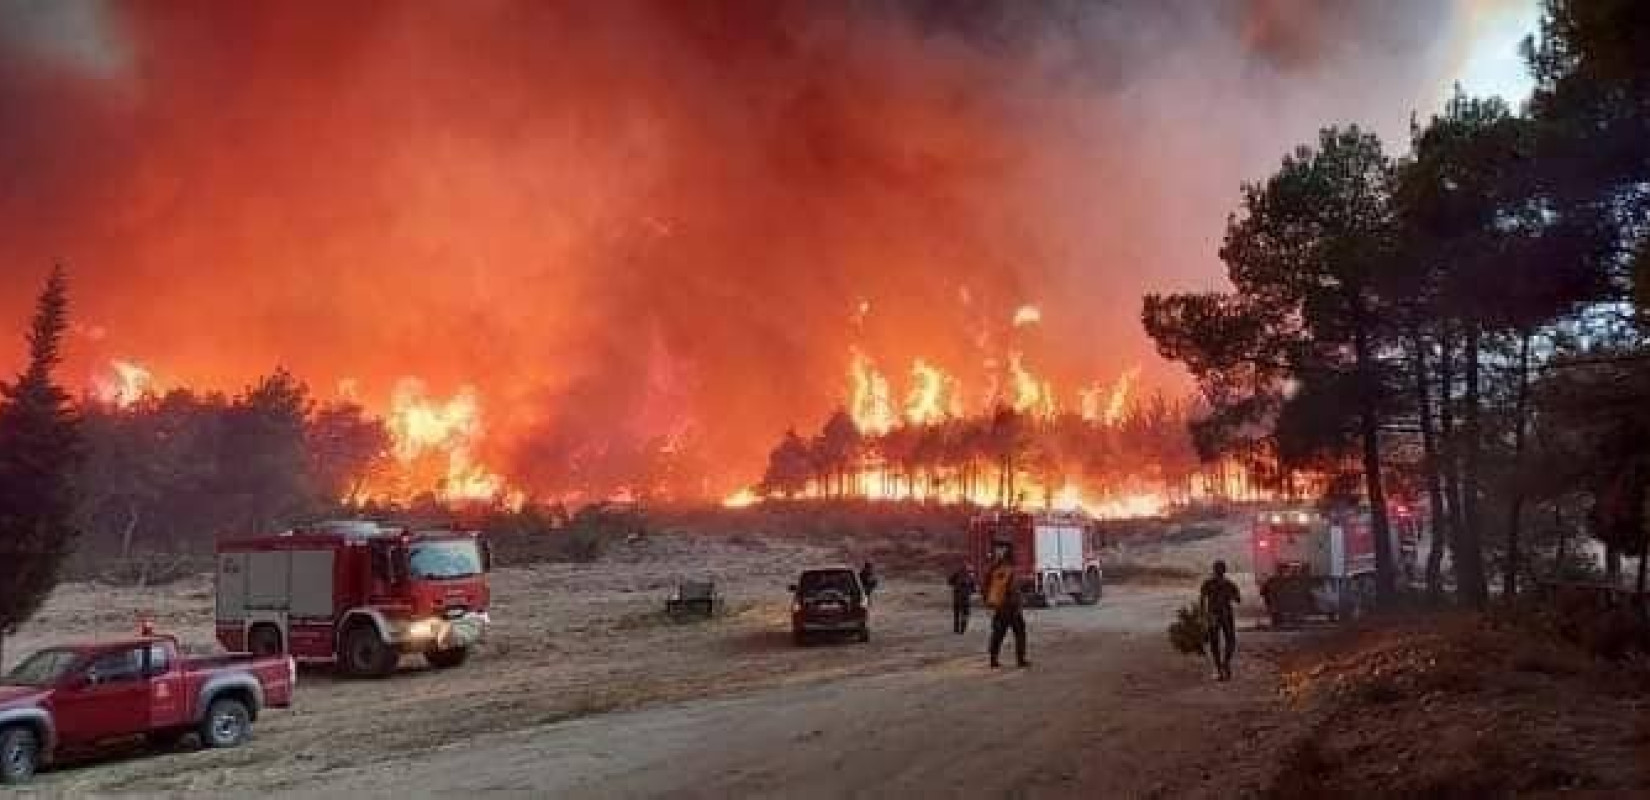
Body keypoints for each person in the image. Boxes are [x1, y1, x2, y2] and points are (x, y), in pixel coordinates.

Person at [984, 546, 1028, 668]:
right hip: (1011, 608)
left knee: (998, 634)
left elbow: (986, 586)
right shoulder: (1010, 571)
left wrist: (989, 603)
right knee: (1020, 633)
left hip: (999, 607)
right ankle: (1020, 659)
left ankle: (993, 659)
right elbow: (1013, 590)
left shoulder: (995, 570)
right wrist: (1019, 604)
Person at [1200, 559, 1241, 681]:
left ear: (1214, 570)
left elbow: (1202, 600)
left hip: (1213, 615)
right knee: (1230, 641)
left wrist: (1203, 616)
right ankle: (1225, 663)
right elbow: (1238, 599)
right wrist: (1231, 596)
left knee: (1215, 642)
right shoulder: (1229, 584)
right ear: (1225, 570)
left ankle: (1219, 667)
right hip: (1225, 615)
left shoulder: (1208, 583)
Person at [947, 565, 978, 634]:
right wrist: (970, 591)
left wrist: (955, 586)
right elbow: (974, 589)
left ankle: (956, 629)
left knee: (957, 614)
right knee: (965, 614)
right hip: (965, 599)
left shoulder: (957, 574)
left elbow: (949, 582)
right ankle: (962, 630)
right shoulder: (971, 577)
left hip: (957, 598)